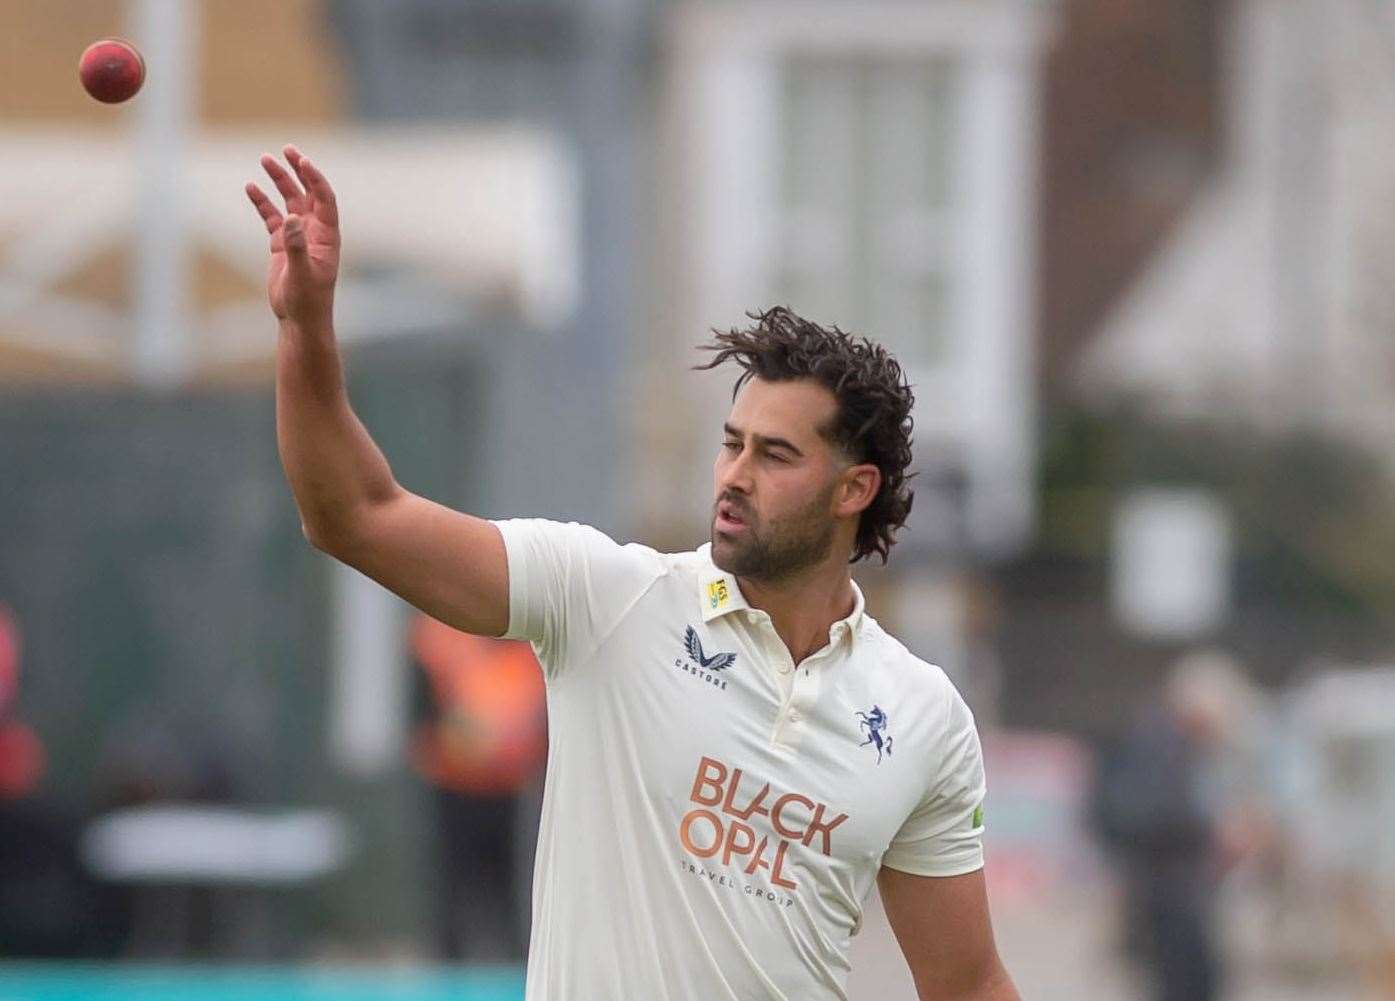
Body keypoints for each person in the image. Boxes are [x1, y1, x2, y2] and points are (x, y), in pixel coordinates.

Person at [246, 145, 1018, 1001]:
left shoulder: (923, 715)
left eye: (773, 455)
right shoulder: (605, 596)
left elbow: (967, 982)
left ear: (853, 489)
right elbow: (355, 515)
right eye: (731, 443)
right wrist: (305, 329)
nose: (732, 474)